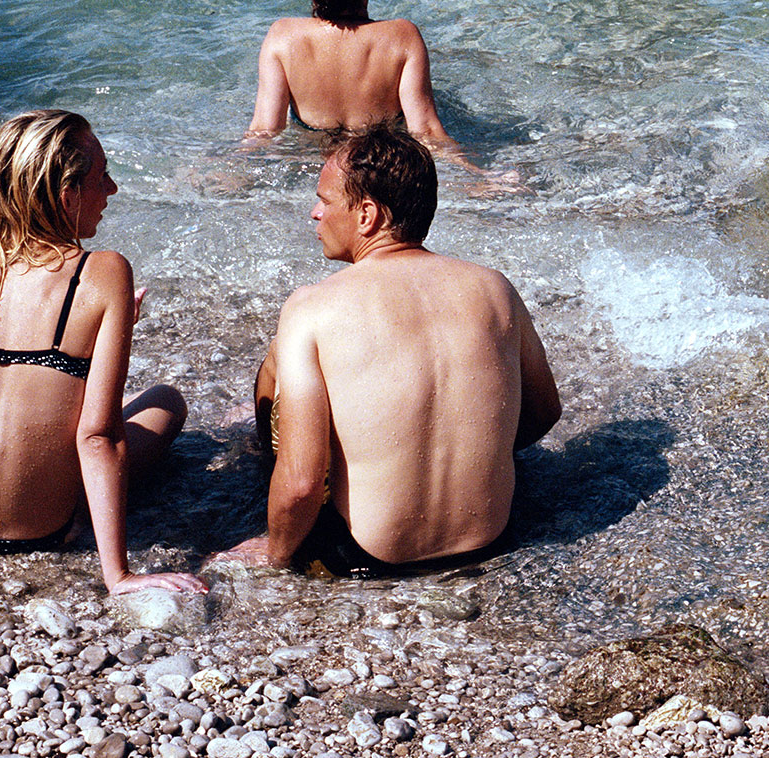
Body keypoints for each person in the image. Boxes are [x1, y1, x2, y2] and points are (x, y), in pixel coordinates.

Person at [225, 126, 560, 572]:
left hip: (368, 558)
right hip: (489, 542)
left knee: (279, 368)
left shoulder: (313, 307)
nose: (315, 213)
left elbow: (302, 484)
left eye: (325, 201)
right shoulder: (495, 288)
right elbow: (544, 412)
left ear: (366, 215)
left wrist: (277, 555)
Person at [0, 111, 204, 595]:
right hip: (41, 528)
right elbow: (97, 436)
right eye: (102, 177)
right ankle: (75, 510)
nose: (114, 190)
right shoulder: (103, 271)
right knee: (166, 403)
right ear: (67, 194)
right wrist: (118, 576)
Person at [247, 0, 464, 159]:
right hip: (379, 161)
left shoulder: (283, 36)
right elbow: (426, 130)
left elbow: (265, 130)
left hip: (316, 161)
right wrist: (475, 174)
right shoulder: (402, 36)